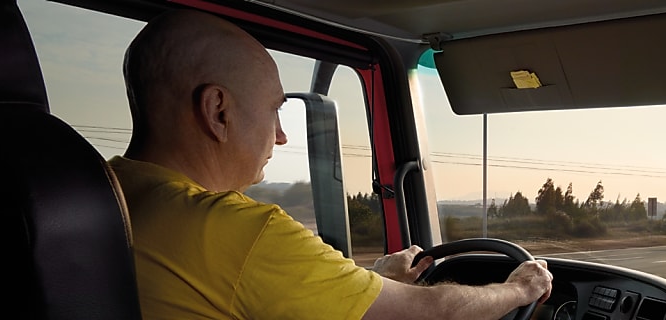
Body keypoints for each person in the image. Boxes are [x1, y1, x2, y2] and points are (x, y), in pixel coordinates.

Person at [108, 9, 552, 319]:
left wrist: (369, 280)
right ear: (218, 111)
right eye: (274, 110)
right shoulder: (235, 229)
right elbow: (429, 313)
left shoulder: (108, 193)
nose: (281, 135)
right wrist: (519, 289)